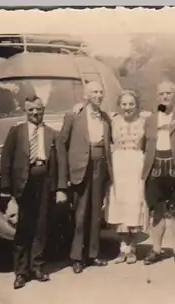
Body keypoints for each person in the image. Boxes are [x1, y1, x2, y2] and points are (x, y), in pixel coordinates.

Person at [0, 94, 68, 290]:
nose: (35, 112)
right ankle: (21, 272)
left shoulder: (52, 134)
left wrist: (61, 188)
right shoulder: (16, 132)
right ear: (25, 111)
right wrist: (7, 191)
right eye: (31, 110)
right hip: (23, 184)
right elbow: (6, 162)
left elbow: (61, 163)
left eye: (38, 109)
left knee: (41, 227)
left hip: (45, 183)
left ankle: (37, 267)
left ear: (43, 109)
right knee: (23, 228)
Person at [59, 81, 112, 274]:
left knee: (96, 214)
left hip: (100, 168)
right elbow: (61, 145)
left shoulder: (105, 117)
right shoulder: (73, 115)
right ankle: (76, 257)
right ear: (86, 95)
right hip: (80, 169)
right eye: (94, 92)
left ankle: (93, 253)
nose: (98, 95)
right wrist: (64, 176)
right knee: (80, 215)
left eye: (100, 91)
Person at [141, 80, 175, 266]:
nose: (165, 96)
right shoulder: (150, 120)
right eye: (162, 93)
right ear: (157, 97)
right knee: (157, 211)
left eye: (169, 93)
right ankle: (156, 249)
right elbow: (143, 146)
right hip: (155, 168)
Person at [106, 90, 150, 264]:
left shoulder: (145, 119)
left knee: (134, 204)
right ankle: (122, 248)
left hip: (136, 163)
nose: (127, 107)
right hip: (119, 163)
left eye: (131, 104)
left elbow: (163, 113)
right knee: (120, 205)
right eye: (124, 104)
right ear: (119, 105)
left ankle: (132, 248)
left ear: (137, 105)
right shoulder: (113, 120)